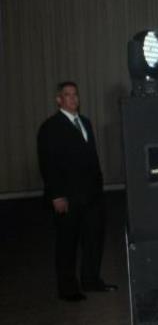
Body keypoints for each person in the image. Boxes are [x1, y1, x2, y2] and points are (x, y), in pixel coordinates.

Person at [37, 81, 117, 301]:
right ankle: (68, 289)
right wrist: (57, 195)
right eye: (67, 95)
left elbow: (91, 158)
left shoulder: (85, 122)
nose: (73, 98)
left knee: (93, 240)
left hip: (91, 195)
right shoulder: (50, 127)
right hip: (68, 197)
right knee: (67, 244)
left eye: (75, 94)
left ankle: (91, 280)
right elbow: (48, 164)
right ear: (59, 100)